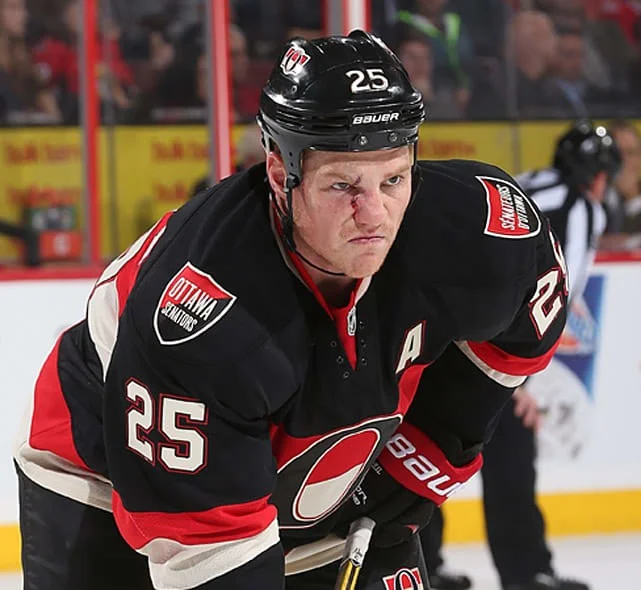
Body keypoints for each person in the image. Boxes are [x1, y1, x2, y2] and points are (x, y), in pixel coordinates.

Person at [14, 30, 567, 590]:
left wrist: (431, 448)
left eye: (393, 178)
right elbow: (214, 552)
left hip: (317, 463)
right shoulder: (205, 319)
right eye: (343, 185)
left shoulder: (475, 229)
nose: (374, 214)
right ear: (282, 176)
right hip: (109, 466)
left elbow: (533, 301)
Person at [422, 120, 622, 590]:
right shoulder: (580, 208)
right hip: (490, 342)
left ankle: (420, 565)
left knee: (423, 449)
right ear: (598, 178)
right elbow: (552, 299)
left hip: (435, 328)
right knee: (510, 455)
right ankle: (527, 572)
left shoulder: (527, 183)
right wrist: (520, 381)